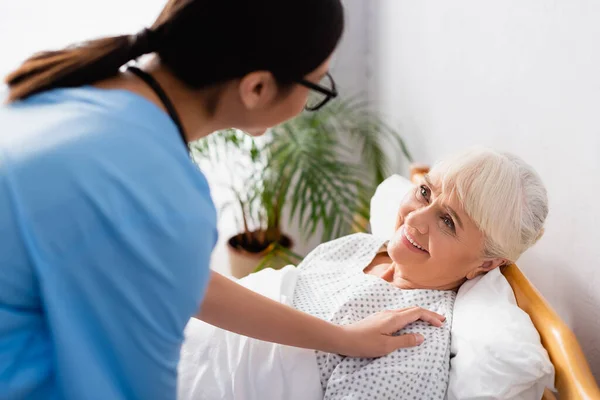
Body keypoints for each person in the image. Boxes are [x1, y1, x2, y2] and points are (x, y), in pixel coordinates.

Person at [0, 1, 442, 399]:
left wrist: (342, 337)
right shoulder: (156, 190)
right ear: (257, 88)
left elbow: (191, 284)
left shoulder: (79, 90)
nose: (311, 97)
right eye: (315, 83)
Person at [177, 147, 549, 400]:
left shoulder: (415, 344)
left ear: (485, 263)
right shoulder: (361, 247)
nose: (414, 219)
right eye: (424, 192)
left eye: (448, 221)